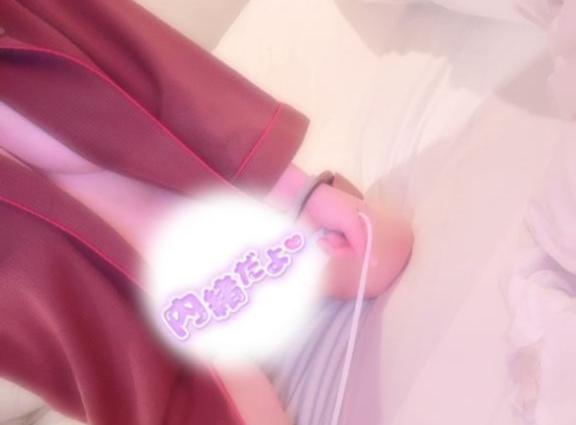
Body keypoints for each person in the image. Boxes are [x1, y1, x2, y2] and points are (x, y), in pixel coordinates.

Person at [0, 1, 385, 423]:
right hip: (158, 357)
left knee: (379, 250)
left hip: (229, 239)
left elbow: (155, 65)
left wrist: (297, 190)